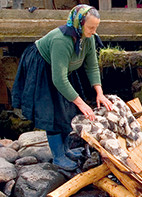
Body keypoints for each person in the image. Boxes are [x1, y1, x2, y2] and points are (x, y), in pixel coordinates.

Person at [11, 4, 112, 171]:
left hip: (64, 69)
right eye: (90, 27)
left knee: (68, 107)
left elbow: (92, 66)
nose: (94, 31)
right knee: (53, 112)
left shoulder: (88, 38)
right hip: (43, 66)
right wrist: (81, 103)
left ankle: (66, 150)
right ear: (79, 24)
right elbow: (59, 79)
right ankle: (58, 157)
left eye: (96, 27)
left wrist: (99, 93)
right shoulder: (62, 40)